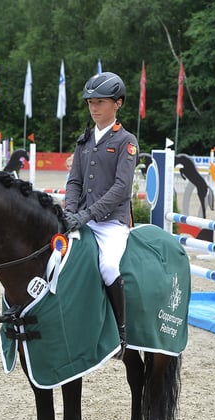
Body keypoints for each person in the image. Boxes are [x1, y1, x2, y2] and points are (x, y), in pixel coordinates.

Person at [63, 71, 138, 358]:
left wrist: (87, 215)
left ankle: (121, 332)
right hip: (81, 217)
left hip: (111, 223)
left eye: (100, 102)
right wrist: (71, 211)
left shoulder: (126, 141)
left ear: (117, 103)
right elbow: (74, 182)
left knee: (108, 266)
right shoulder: (83, 141)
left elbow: (121, 188)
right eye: (90, 102)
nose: (94, 107)